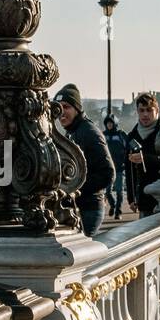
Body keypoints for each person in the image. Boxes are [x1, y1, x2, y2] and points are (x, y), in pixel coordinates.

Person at [54, 83, 114, 237]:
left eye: (66, 106)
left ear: (77, 108)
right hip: (79, 208)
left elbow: (108, 173)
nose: (61, 112)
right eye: (58, 107)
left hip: (89, 209)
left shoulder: (89, 132)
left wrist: (76, 189)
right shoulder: (72, 132)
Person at [126, 92, 160, 217]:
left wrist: (147, 159)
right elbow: (129, 170)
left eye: (149, 110)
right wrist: (131, 198)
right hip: (143, 199)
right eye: (141, 110)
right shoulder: (132, 136)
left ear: (157, 110)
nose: (145, 114)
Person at [102, 114, 129, 220]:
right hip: (108, 168)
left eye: (111, 123)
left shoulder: (121, 135)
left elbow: (128, 147)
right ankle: (112, 205)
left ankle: (118, 211)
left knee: (119, 191)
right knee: (107, 192)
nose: (109, 125)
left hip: (119, 168)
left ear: (115, 123)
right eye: (107, 123)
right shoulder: (103, 135)